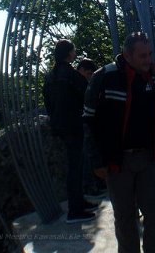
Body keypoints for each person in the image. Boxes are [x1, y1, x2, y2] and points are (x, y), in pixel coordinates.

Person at [83, 32, 155, 253]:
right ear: (126, 56)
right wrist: (97, 160)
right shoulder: (105, 77)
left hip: (148, 157)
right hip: (118, 162)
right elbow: (89, 120)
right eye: (142, 56)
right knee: (125, 219)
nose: (148, 60)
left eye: (149, 54)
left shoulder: (152, 76)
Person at [43, 40, 98, 224]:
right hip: (73, 125)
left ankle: (79, 202)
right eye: (73, 51)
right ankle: (75, 211)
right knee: (76, 167)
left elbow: (48, 102)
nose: (75, 53)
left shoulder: (51, 76)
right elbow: (87, 93)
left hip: (60, 126)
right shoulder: (70, 74)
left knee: (75, 166)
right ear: (69, 54)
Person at [77, 58, 108, 200]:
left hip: (81, 124)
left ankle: (95, 185)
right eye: (88, 73)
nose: (90, 76)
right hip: (81, 125)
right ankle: (91, 187)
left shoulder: (79, 82)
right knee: (87, 157)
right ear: (81, 70)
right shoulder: (78, 83)